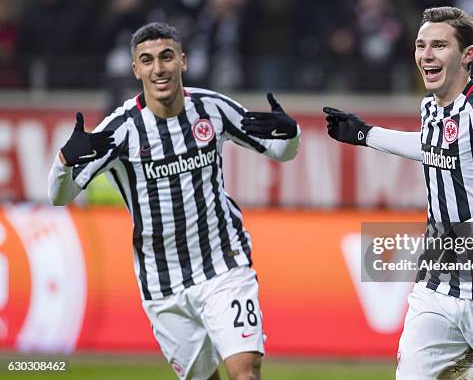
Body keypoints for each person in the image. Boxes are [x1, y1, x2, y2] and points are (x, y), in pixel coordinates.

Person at [48, 22, 301, 380]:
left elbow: (279, 151)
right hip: (162, 284)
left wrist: (291, 134)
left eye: (166, 57)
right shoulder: (120, 130)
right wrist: (63, 162)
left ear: (182, 61)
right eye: (147, 60)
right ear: (136, 69)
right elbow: (59, 197)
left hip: (224, 266)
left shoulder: (212, 109)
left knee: (246, 372)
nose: (158, 68)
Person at [324, 6, 473, 380]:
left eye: (440, 45)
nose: (426, 55)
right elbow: (434, 146)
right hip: (437, 284)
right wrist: (366, 135)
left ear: (467, 54)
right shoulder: (431, 106)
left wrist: (464, 235)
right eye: (421, 45)